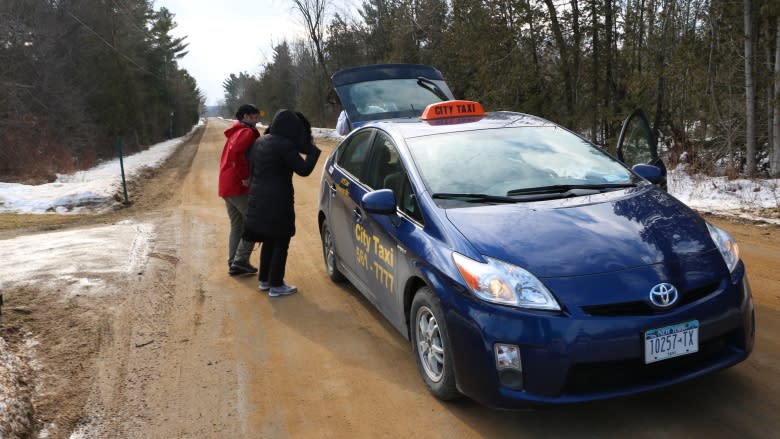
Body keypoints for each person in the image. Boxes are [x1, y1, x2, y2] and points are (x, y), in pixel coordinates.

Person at [243, 110, 321, 297]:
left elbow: (252, 167)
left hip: (258, 198)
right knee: (281, 240)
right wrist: (313, 150)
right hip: (278, 200)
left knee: (269, 239)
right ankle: (276, 285)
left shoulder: (261, 141)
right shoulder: (285, 145)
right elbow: (304, 170)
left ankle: (264, 280)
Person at [218, 104, 260, 276]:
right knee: (254, 222)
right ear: (246, 117)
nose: (257, 120)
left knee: (237, 225)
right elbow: (237, 153)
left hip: (226, 186)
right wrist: (244, 176)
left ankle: (233, 261)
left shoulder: (235, 131)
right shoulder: (247, 132)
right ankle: (240, 261)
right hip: (238, 186)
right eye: (254, 116)